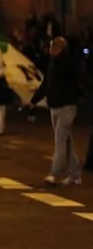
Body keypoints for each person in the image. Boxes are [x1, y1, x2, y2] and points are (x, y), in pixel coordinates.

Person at [29, 37, 90, 185]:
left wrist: (84, 96)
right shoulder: (53, 62)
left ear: (59, 48)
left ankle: (54, 174)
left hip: (67, 106)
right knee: (66, 141)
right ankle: (75, 174)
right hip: (54, 106)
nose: (49, 50)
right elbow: (46, 84)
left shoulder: (70, 62)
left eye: (51, 47)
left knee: (60, 140)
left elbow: (83, 79)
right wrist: (34, 100)